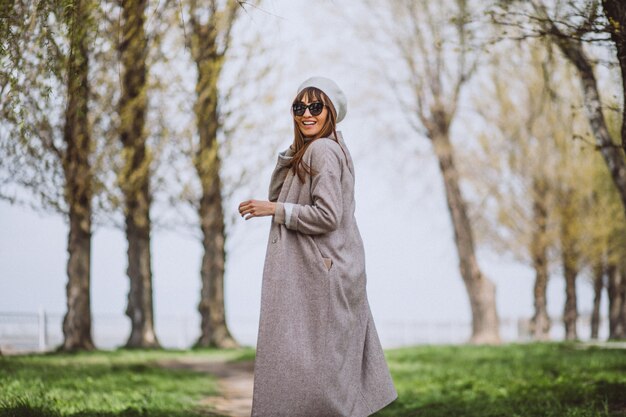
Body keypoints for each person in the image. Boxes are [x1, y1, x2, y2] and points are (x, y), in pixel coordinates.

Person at [238, 76, 398, 417]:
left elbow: (327, 216)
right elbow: (279, 192)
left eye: (315, 106)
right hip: (330, 268)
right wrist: (292, 153)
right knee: (321, 369)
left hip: (322, 271)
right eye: (299, 107)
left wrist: (274, 211)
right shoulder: (320, 149)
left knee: (313, 372)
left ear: (332, 112)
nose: (306, 114)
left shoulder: (324, 151)